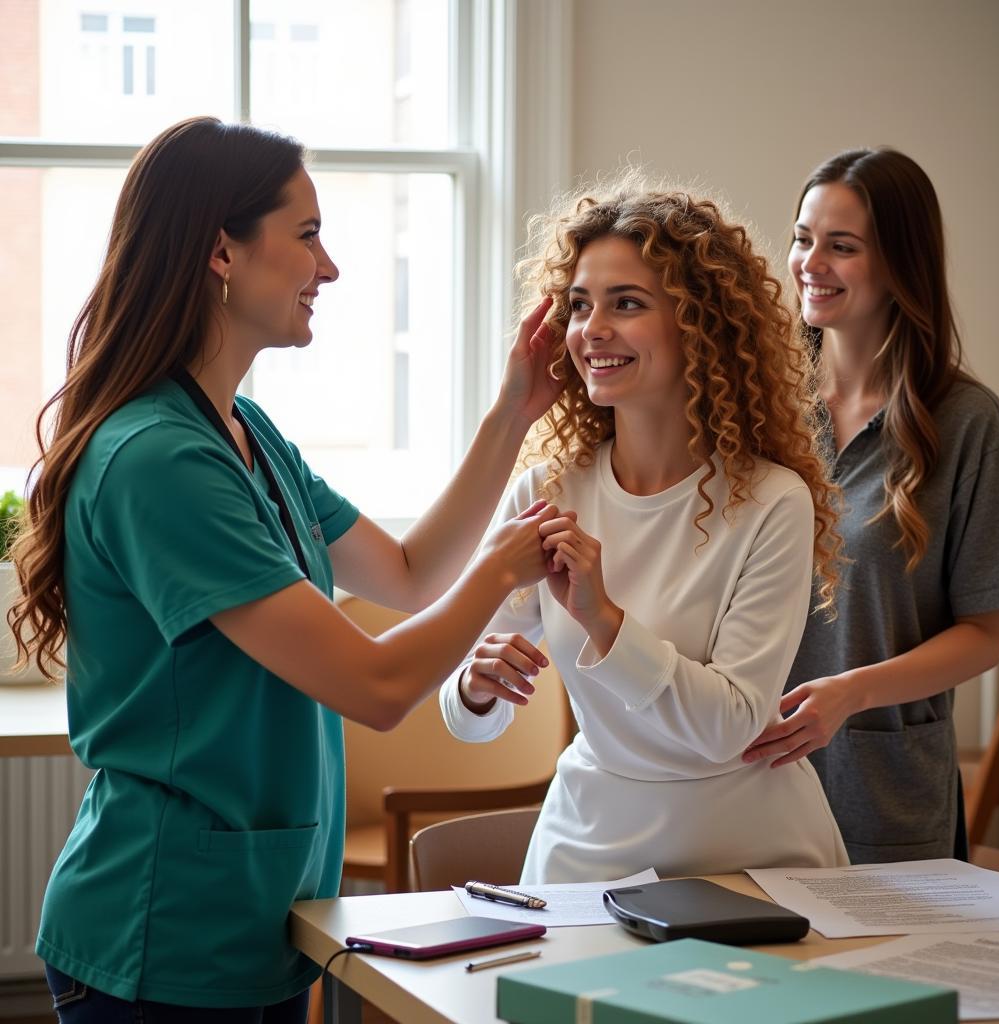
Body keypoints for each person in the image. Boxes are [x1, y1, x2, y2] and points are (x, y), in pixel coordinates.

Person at [8, 116, 565, 1020]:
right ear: (221, 252)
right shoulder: (161, 461)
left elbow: (413, 573)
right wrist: (503, 573)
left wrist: (512, 412)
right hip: (167, 931)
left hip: (262, 919)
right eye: (307, 236)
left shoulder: (244, 435)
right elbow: (377, 684)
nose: (330, 268)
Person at [438, 182, 850, 884]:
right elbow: (469, 717)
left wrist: (602, 618)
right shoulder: (545, 492)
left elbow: (730, 727)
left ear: (700, 324)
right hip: (586, 855)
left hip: (755, 860)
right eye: (578, 306)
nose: (591, 329)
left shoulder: (773, 501)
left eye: (625, 303)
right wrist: (476, 686)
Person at [742, 148, 999, 864]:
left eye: (842, 246)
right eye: (803, 238)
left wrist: (850, 694)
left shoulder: (968, 424)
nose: (810, 262)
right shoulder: (759, 408)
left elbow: (987, 636)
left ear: (900, 262)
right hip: (745, 785)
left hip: (884, 798)